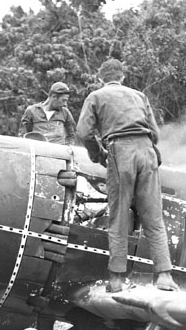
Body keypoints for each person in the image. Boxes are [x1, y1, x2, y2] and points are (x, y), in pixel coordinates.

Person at [76, 58, 179, 293]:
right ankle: (164, 275)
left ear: (101, 78)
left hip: (120, 152)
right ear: (122, 76)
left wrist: (98, 154)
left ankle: (116, 280)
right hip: (147, 151)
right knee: (153, 216)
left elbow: (83, 132)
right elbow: (155, 133)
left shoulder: (96, 96)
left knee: (119, 217)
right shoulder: (139, 96)